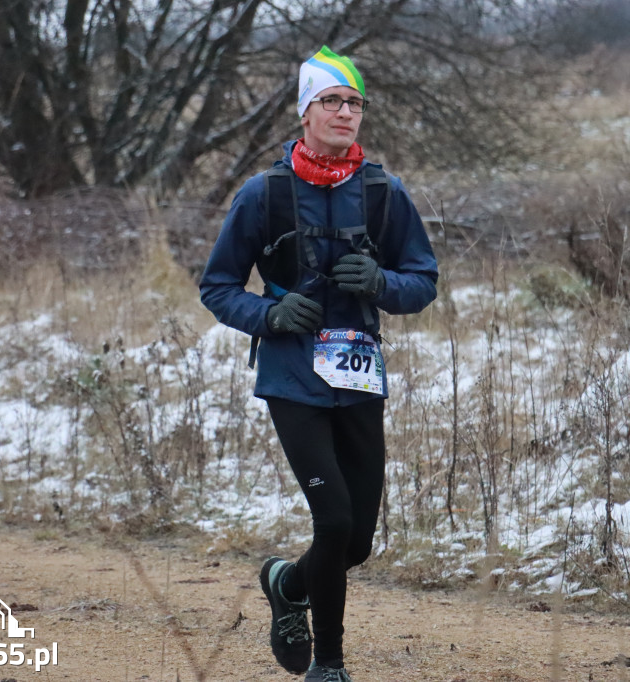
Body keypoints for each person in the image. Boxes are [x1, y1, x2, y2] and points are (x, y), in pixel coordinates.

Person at [199, 45, 438, 682]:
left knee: (355, 540)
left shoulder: (385, 193)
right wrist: (268, 317)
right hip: (292, 376)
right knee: (331, 520)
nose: (344, 112)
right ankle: (327, 667)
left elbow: (423, 281)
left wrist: (382, 283)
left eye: (353, 103)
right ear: (305, 113)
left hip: (360, 377)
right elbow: (217, 287)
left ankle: (287, 583)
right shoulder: (264, 195)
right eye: (330, 101)